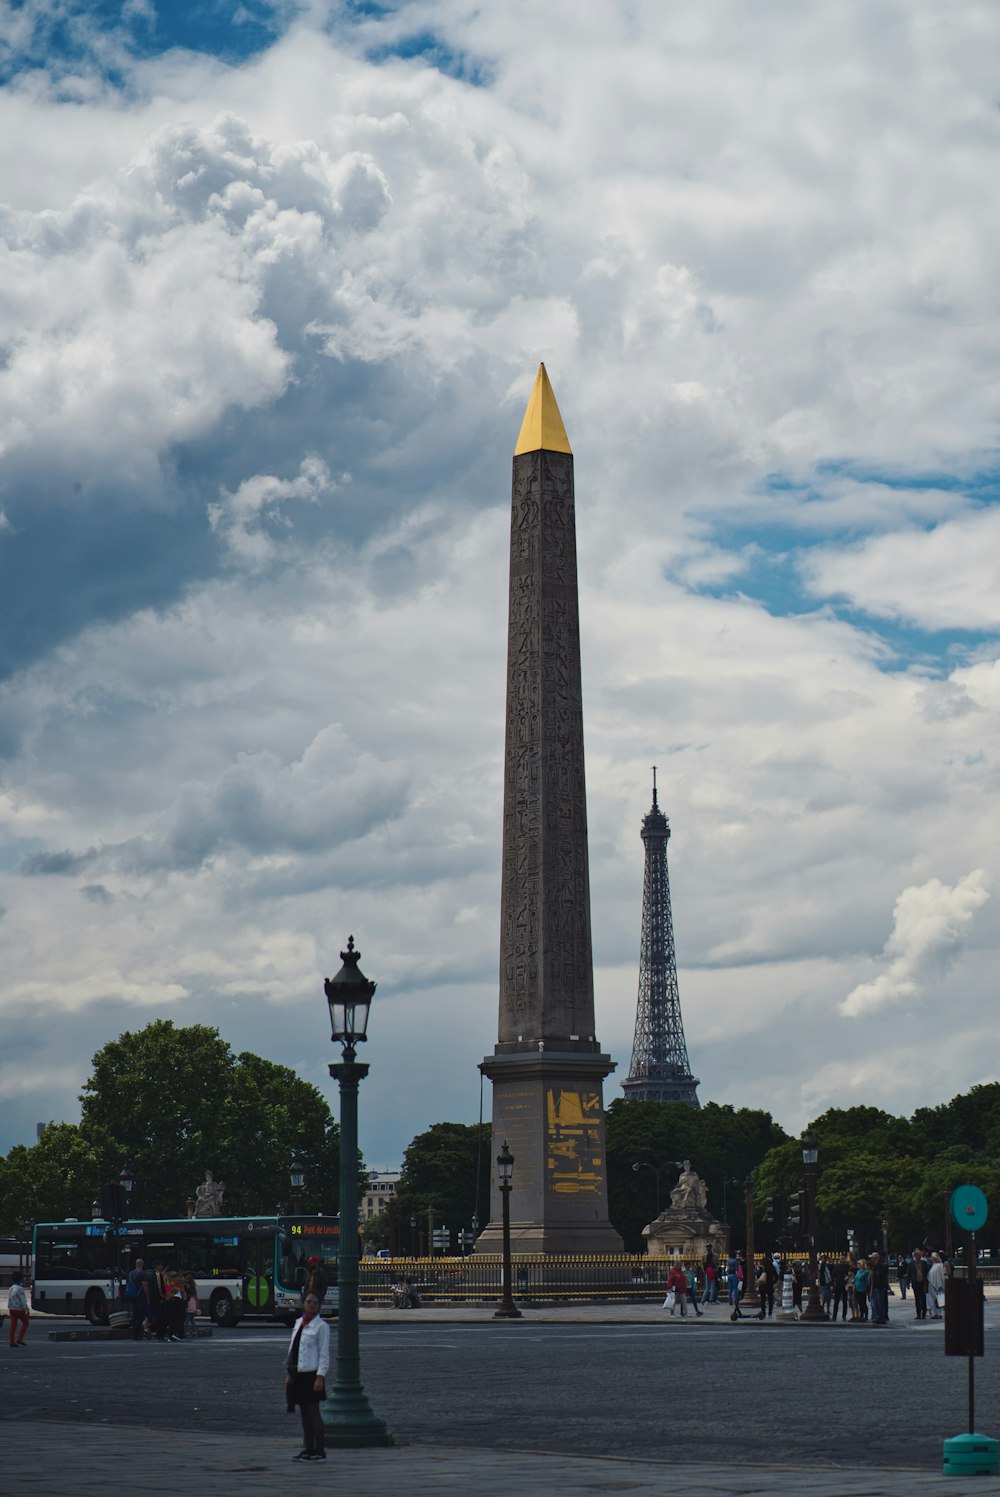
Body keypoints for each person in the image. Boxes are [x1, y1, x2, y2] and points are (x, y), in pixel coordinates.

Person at [285, 1291, 330, 1461]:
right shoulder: (298, 1323)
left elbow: (324, 1354)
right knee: (303, 1412)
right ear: (303, 1303)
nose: (312, 1304)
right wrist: (289, 1374)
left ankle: (319, 1449)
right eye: (309, 1301)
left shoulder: (321, 1326)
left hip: (312, 1372)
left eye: (315, 1302)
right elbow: (293, 1350)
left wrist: (320, 1377)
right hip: (298, 1371)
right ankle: (308, 1447)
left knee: (313, 1412)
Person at [7, 1274, 29, 1347]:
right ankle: (20, 1339)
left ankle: (12, 1341)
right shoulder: (20, 1288)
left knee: (13, 1325)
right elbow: (22, 1300)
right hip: (19, 1308)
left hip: (11, 1308)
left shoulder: (11, 1288)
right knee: (26, 1323)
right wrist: (26, 1308)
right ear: (20, 1279)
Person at [869, 1252, 890, 1325]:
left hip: (880, 1286)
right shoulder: (877, 1266)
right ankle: (880, 1316)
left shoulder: (880, 1266)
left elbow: (879, 1277)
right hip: (879, 1286)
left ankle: (882, 1317)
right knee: (879, 1303)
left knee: (880, 1303)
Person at [911, 1248, 929, 1320]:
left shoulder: (924, 1263)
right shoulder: (911, 1264)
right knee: (917, 1299)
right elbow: (910, 1273)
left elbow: (927, 1273)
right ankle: (918, 1313)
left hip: (923, 1282)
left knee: (923, 1298)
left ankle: (924, 1312)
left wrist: (927, 1283)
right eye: (917, 1255)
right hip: (916, 1283)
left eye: (919, 1255)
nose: (918, 1256)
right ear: (915, 1256)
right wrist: (908, 1283)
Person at [927, 1252, 945, 1320]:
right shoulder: (934, 1265)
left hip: (937, 1285)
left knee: (940, 1300)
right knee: (933, 1300)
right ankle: (935, 1313)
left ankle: (940, 1313)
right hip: (932, 1284)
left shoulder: (939, 1265)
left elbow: (940, 1276)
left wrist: (939, 1284)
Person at [854, 1257, 871, 1321]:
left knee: (863, 1303)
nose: (858, 1265)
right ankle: (861, 1315)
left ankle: (865, 1315)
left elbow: (867, 1281)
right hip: (857, 1289)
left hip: (862, 1289)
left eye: (859, 1263)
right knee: (859, 1303)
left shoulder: (865, 1272)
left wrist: (867, 1289)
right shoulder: (858, 1271)